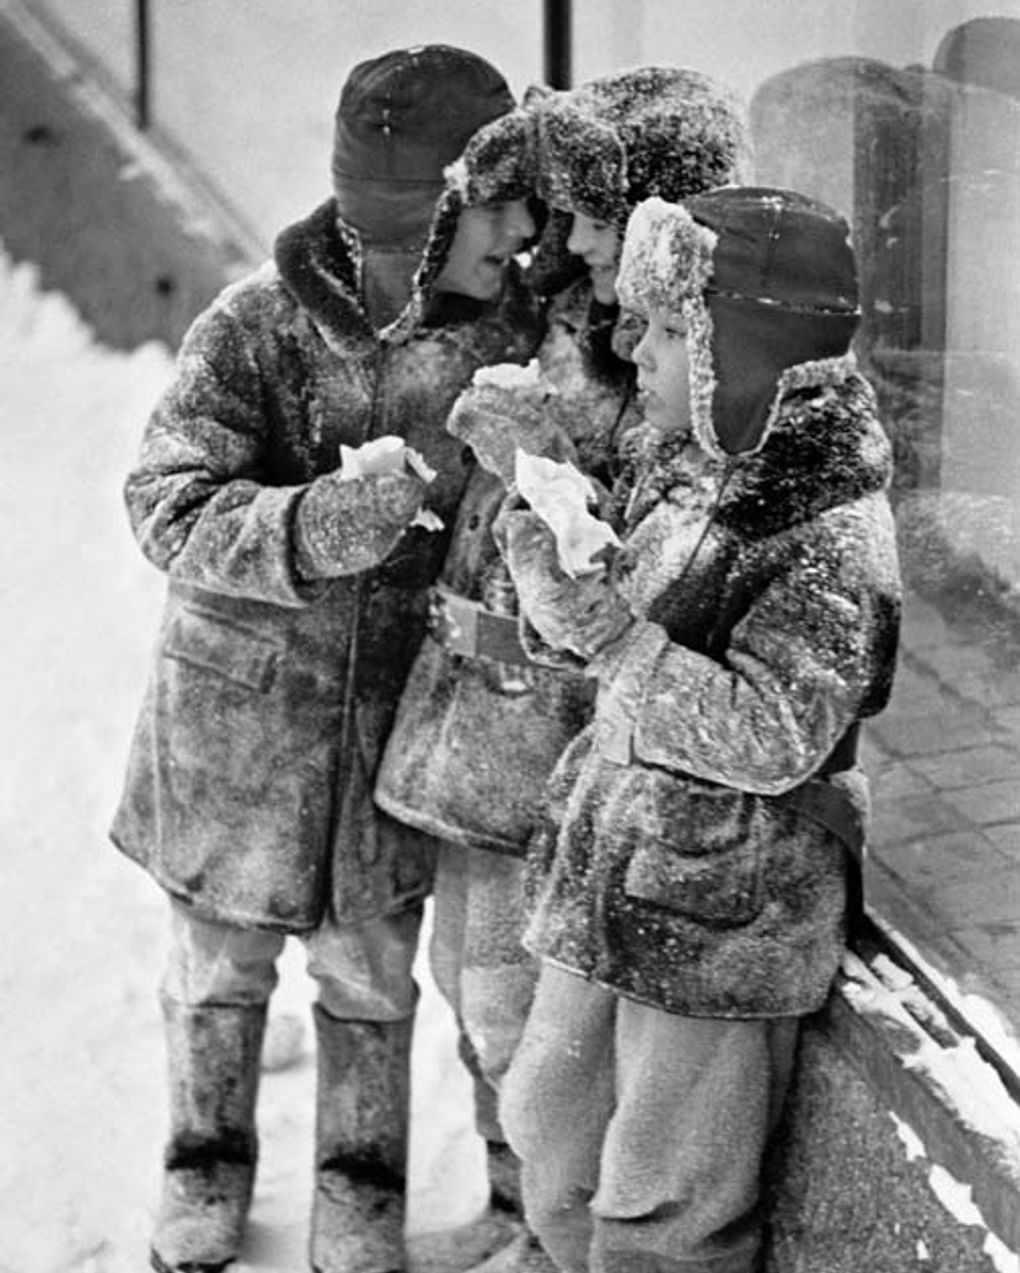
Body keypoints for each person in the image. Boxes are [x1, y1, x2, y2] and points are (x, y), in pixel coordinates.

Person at [109, 44, 540, 1273]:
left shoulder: (510, 335)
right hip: (238, 727)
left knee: (371, 971)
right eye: (498, 202)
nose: (522, 229)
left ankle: (360, 1188)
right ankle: (202, 1162)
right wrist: (303, 525)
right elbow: (163, 500)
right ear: (433, 209)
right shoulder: (256, 324)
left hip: (398, 727)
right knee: (217, 963)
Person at [373, 68, 750, 1271]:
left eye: (592, 210)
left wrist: (546, 452)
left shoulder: (681, 354)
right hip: (487, 716)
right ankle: (521, 1218)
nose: (564, 234)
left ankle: (550, 1238)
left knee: (527, 1022)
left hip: (566, 737)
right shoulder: (565, 302)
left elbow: (651, 537)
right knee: (477, 998)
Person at [493, 187, 902, 1273]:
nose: (642, 354)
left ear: (754, 350)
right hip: (611, 875)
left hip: (721, 913)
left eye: (677, 331)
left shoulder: (828, 529)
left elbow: (773, 733)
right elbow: (613, 606)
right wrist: (546, 522)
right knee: (548, 1124)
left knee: (665, 1200)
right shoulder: (697, 460)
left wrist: (612, 637)